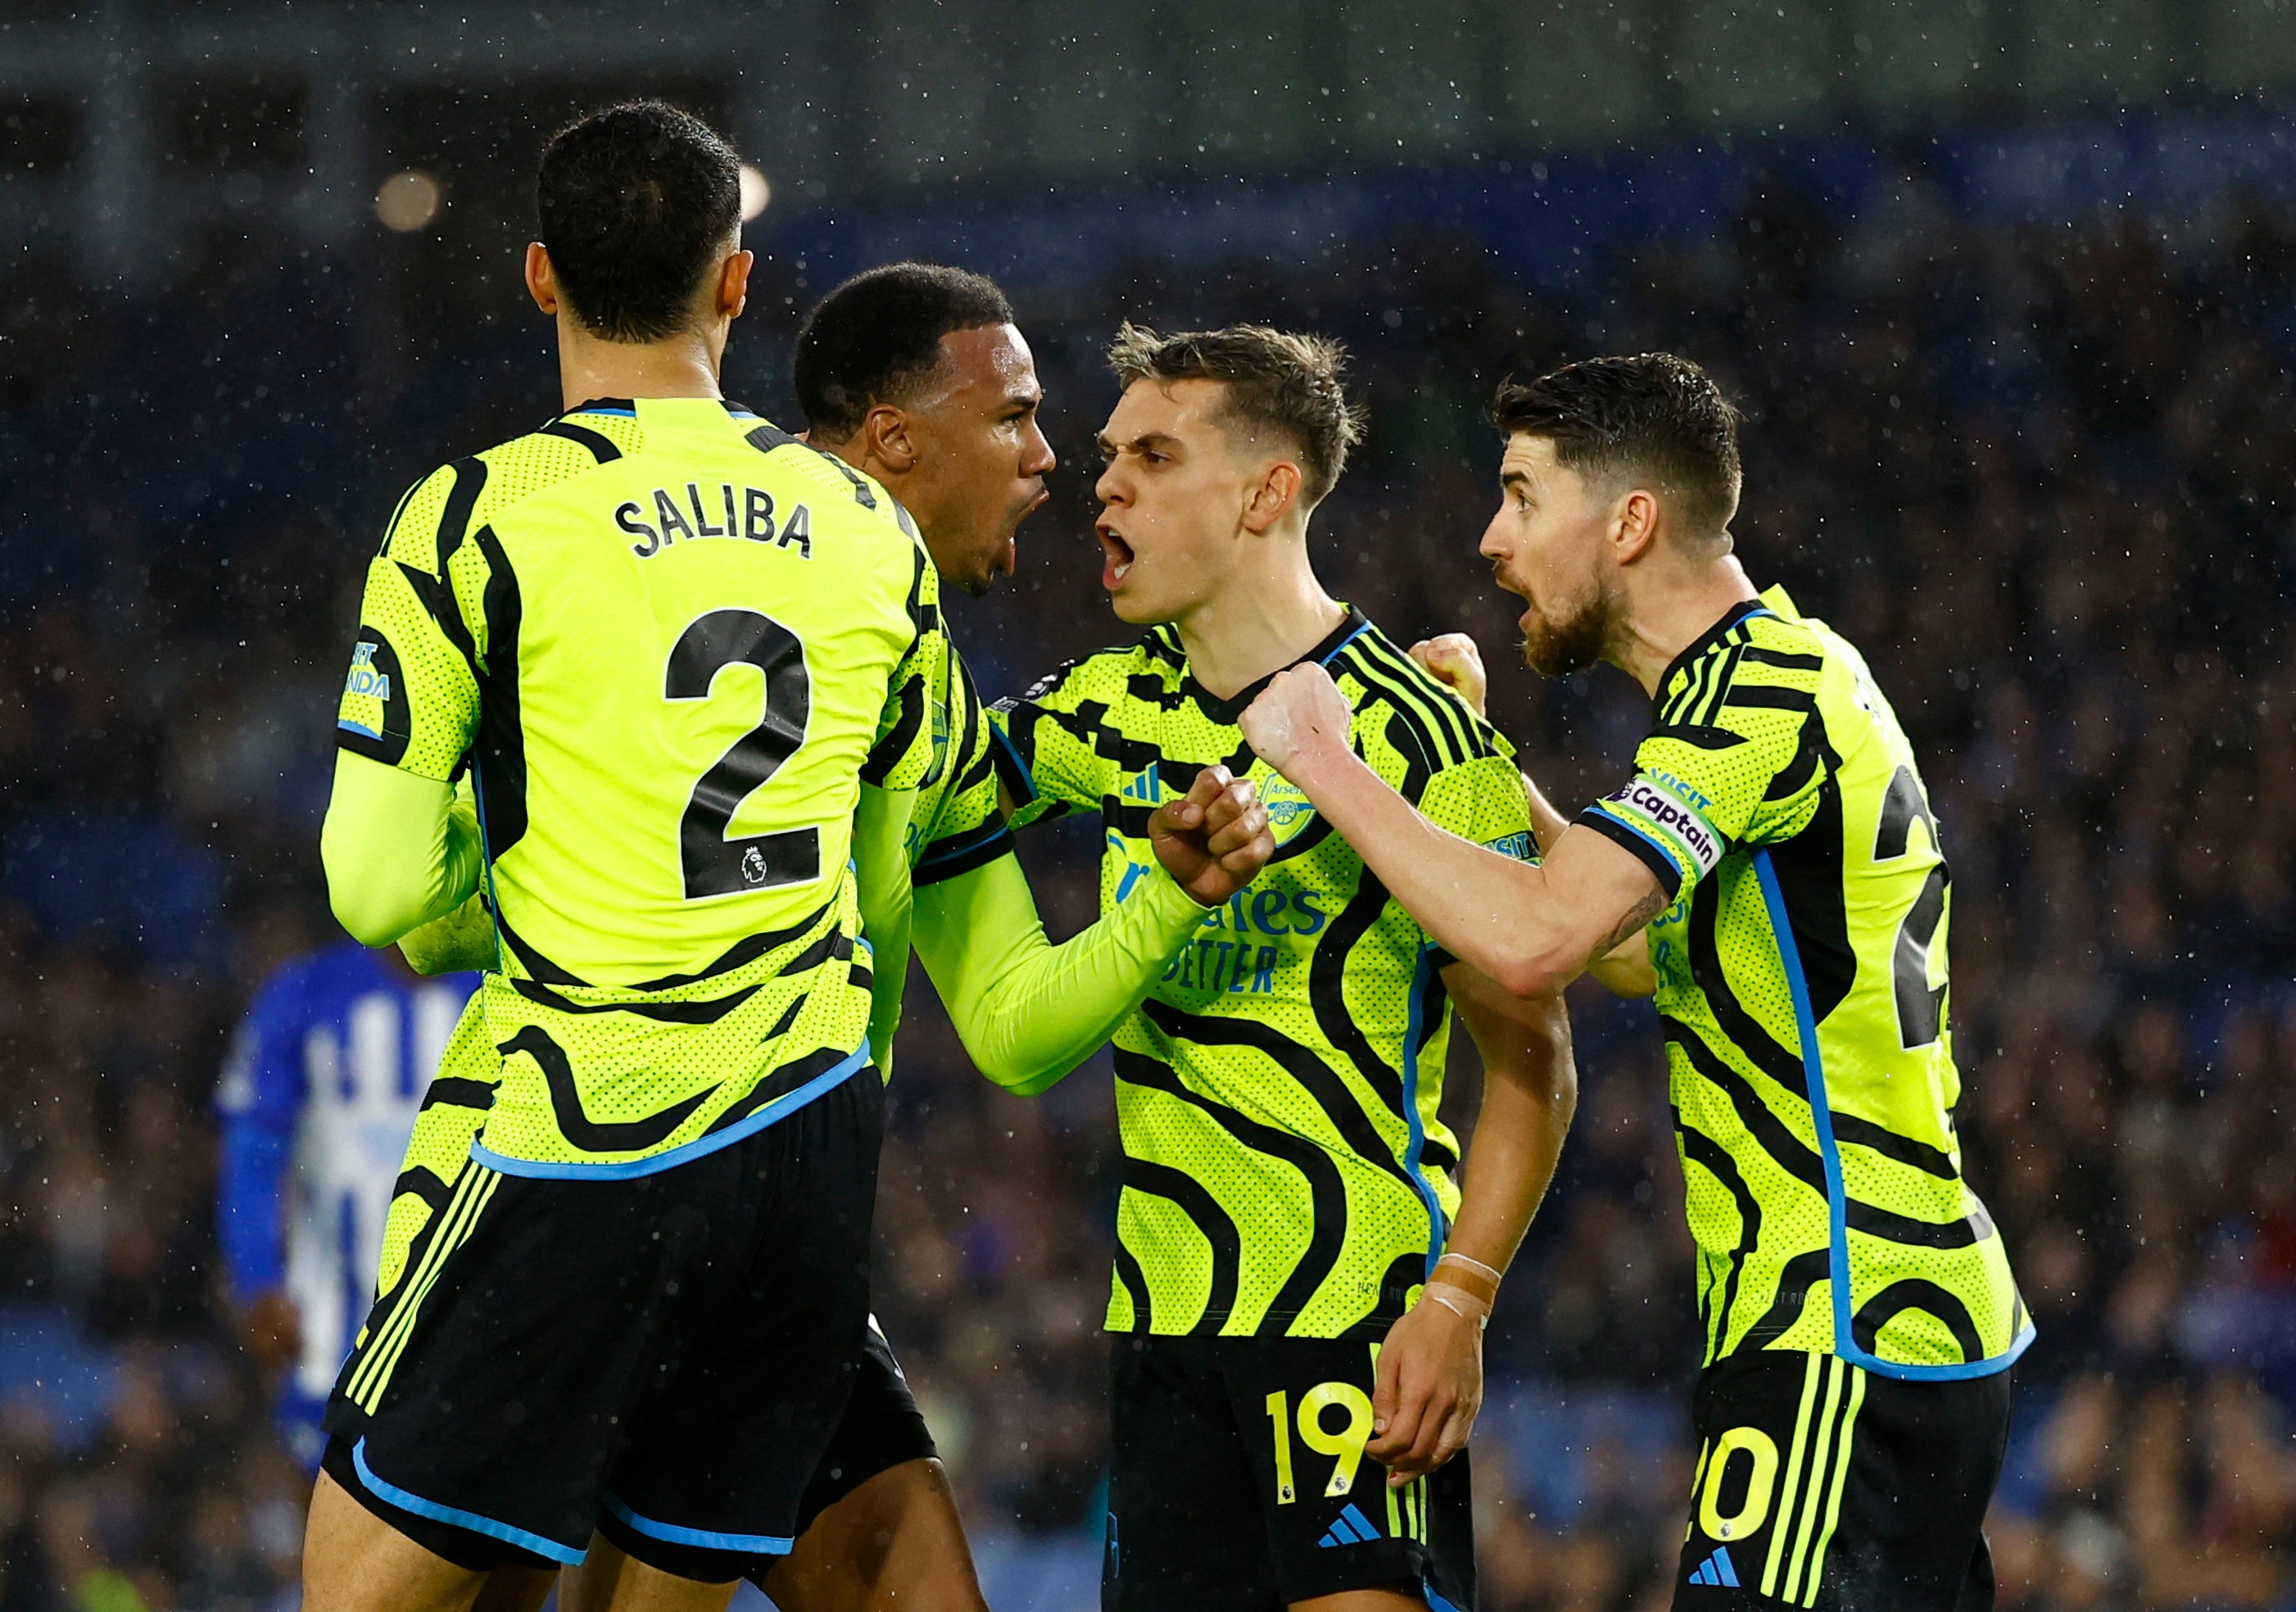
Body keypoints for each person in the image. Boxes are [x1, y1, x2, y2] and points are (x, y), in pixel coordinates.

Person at [368, 260, 1275, 1612]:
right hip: (569, 1175)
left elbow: (1016, 1022)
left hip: (769, 1211)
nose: (1047, 460)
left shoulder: (919, 687)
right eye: (1013, 418)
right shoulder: (631, 585)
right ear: (893, 435)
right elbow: (409, 899)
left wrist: (1161, 902)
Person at [1239, 353, 2029, 1610]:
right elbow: (1618, 946)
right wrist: (1481, 770)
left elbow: (1542, 941)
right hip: (1878, 1315)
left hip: (1836, 1313)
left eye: (1518, 495)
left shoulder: (1754, 694)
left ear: (1627, 522)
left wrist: (1325, 760)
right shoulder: (1779, 673)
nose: (1490, 540)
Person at [989, 323, 1582, 1612]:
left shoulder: (1423, 733)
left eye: (1152, 456)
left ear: (1265, 494)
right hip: (1160, 1329)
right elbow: (893, 781)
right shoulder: (1089, 714)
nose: (1105, 487)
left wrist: (1460, 1302)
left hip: (1353, 1321)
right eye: (1105, 459)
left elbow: (1530, 1066)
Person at [215, 940, 478, 1469]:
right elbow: (252, 1153)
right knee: (330, 1534)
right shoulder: (303, 993)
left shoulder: (499, 991)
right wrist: (258, 1280)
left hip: (477, 1337)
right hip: (332, 1335)